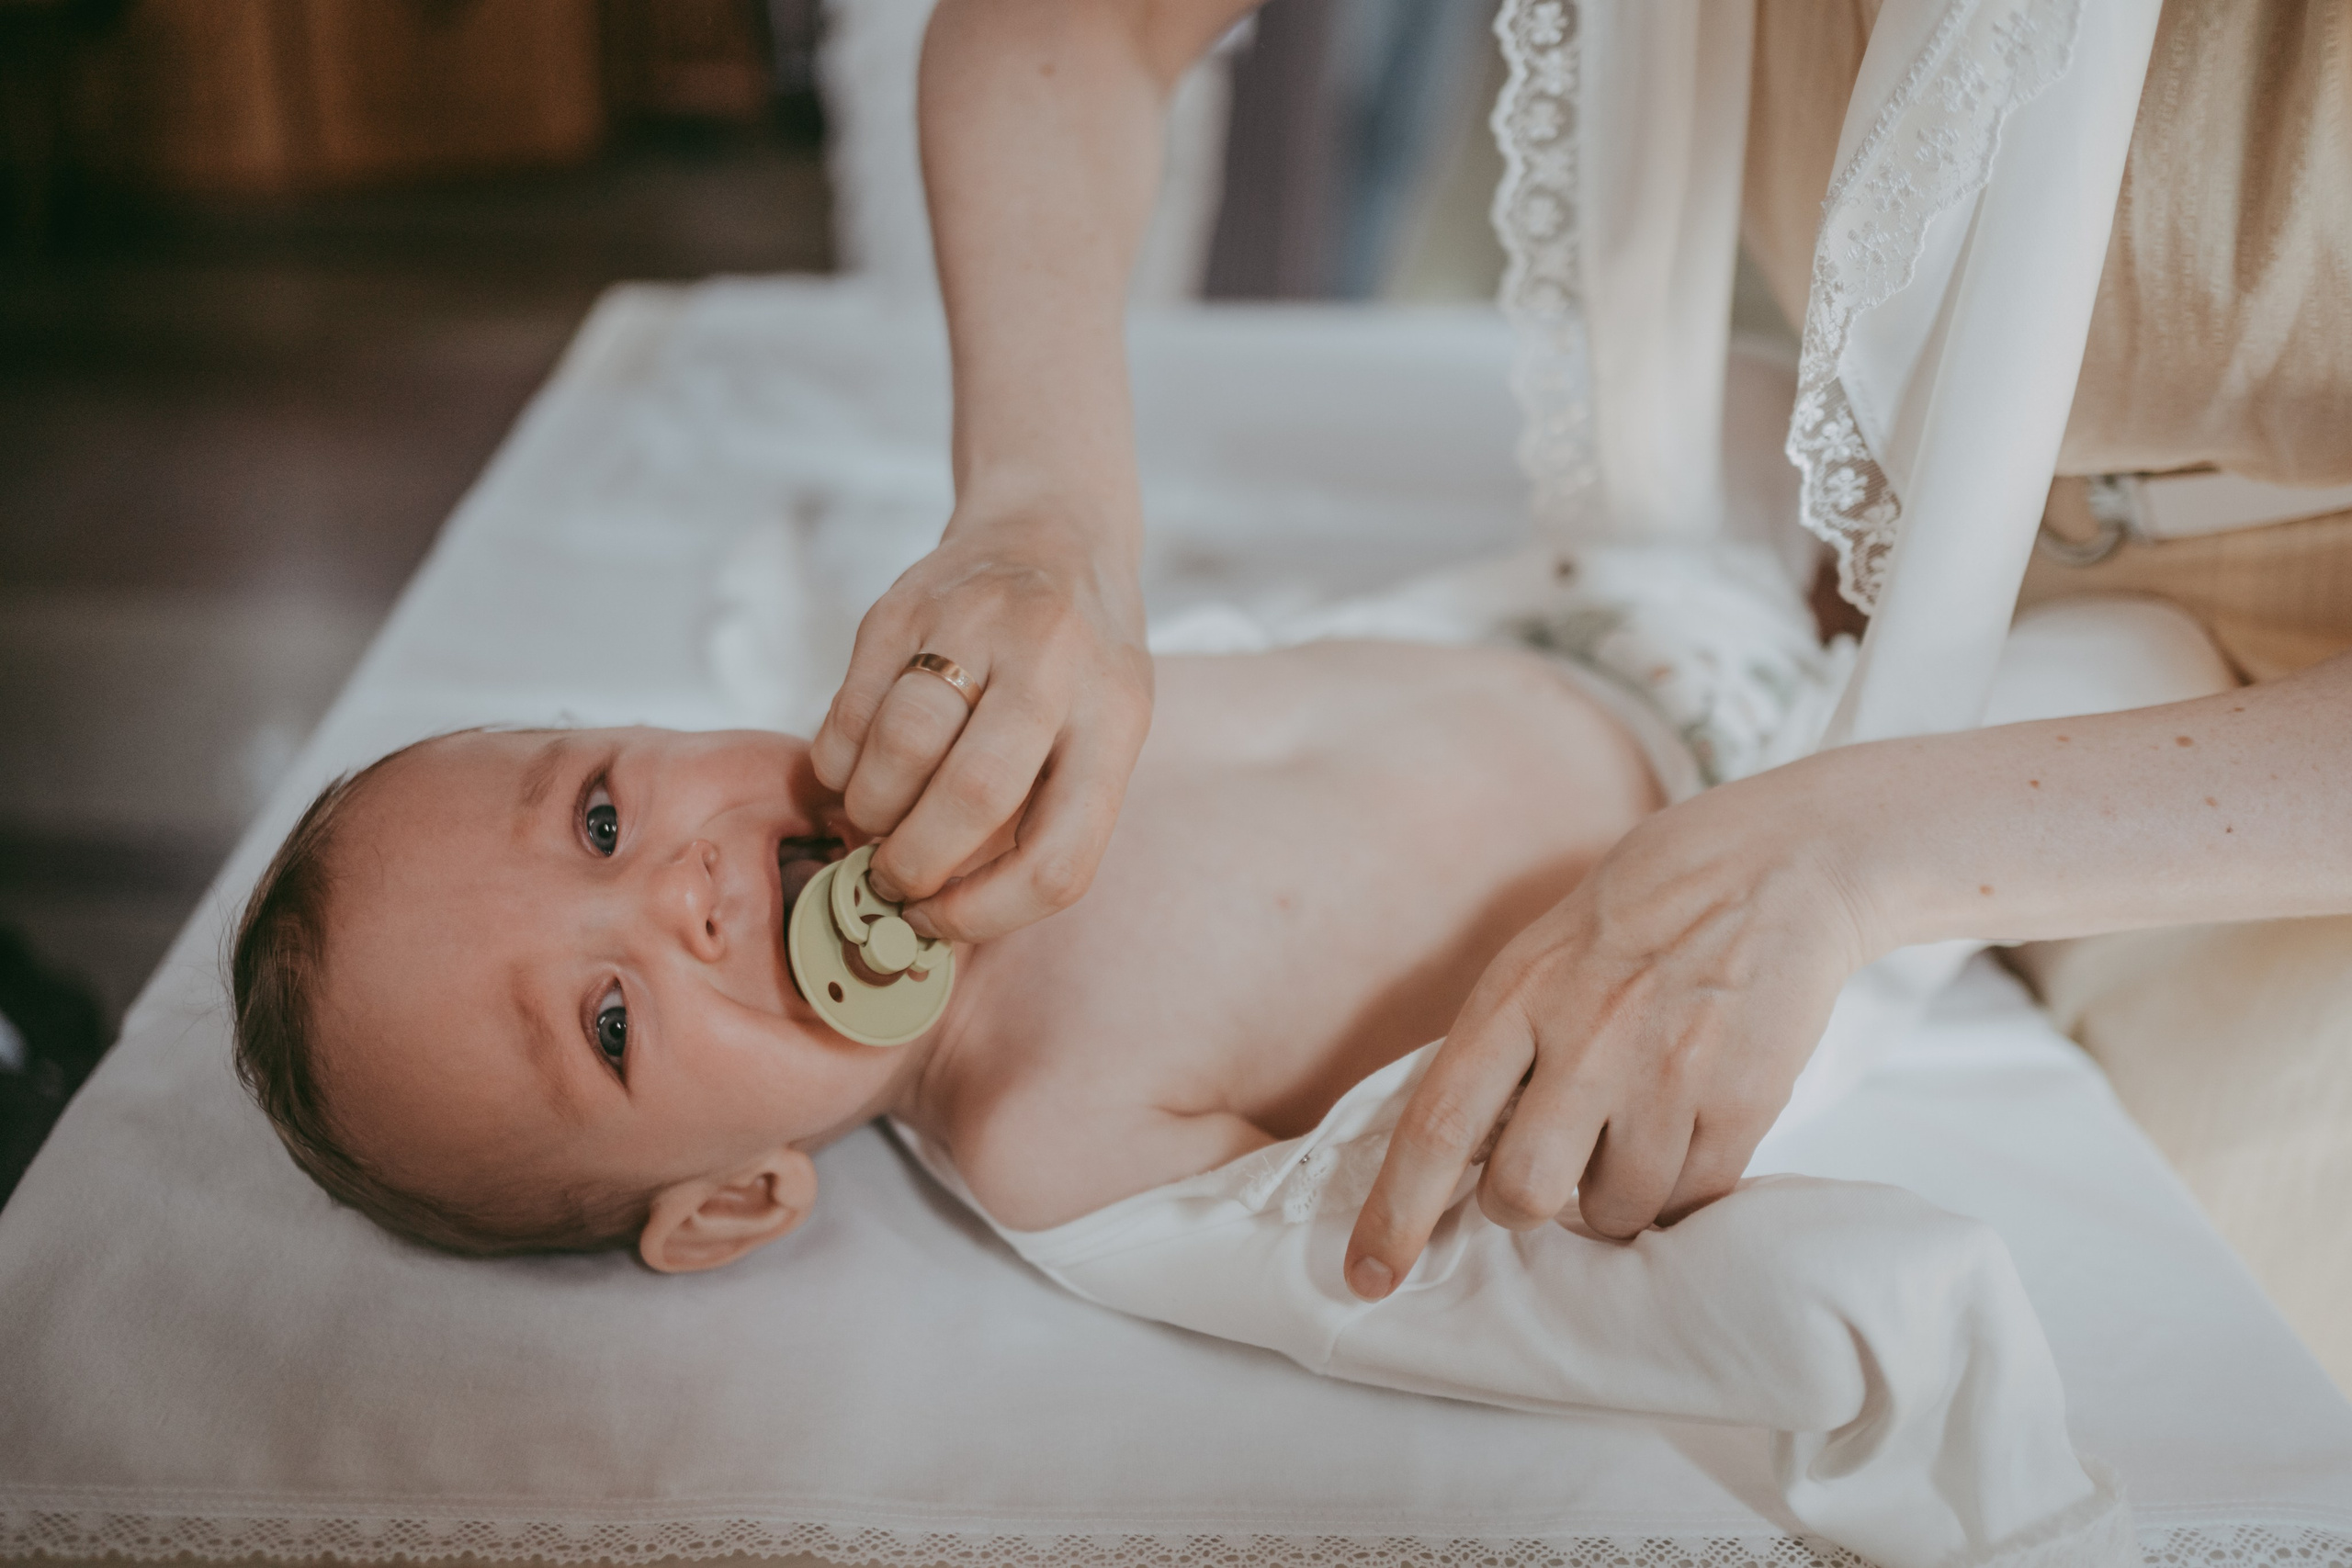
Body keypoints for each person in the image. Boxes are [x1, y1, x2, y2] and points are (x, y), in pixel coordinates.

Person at [811, 0, 2352, 1309]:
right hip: (1841, 534)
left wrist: (1849, 847)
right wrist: (1041, 509)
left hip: (2290, 754)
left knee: (2196, 1310)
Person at [227, 611, 2140, 1565]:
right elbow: (1431, 1271)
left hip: (1632, 620)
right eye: (616, 1021)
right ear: (730, 1198)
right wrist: (1827, 1320)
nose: (690, 886)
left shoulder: (943, 722)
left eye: (598, 810)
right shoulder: (1060, 1130)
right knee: (2133, 662)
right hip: (1774, 838)